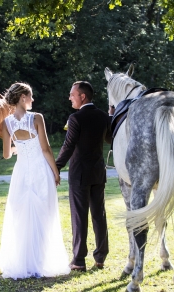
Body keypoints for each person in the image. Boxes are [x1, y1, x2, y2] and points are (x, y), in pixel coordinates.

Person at [0, 82, 71, 279]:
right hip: (40, 171)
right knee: (44, 215)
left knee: (22, 216)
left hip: (21, 172)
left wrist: (16, 148)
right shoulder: (36, 118)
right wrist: (56, 173)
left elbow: (6, 154)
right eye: (30, 96)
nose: (33, 100)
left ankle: (25, 264)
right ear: (23, 97)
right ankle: (42, 262)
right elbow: (46, 149)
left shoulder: (6, 122)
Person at [55, 81, 112, 272]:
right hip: (98, 172)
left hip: (79, 174)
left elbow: (68, 146)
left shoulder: (75, 118)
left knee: (79, 217)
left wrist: (56, 166)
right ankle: (101, 257)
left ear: (82, 97)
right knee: (99, 215)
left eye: (72, 94)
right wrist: (111, 118)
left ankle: (79, 260)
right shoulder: (104, 116)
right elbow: (110, 139)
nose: (70, 97)